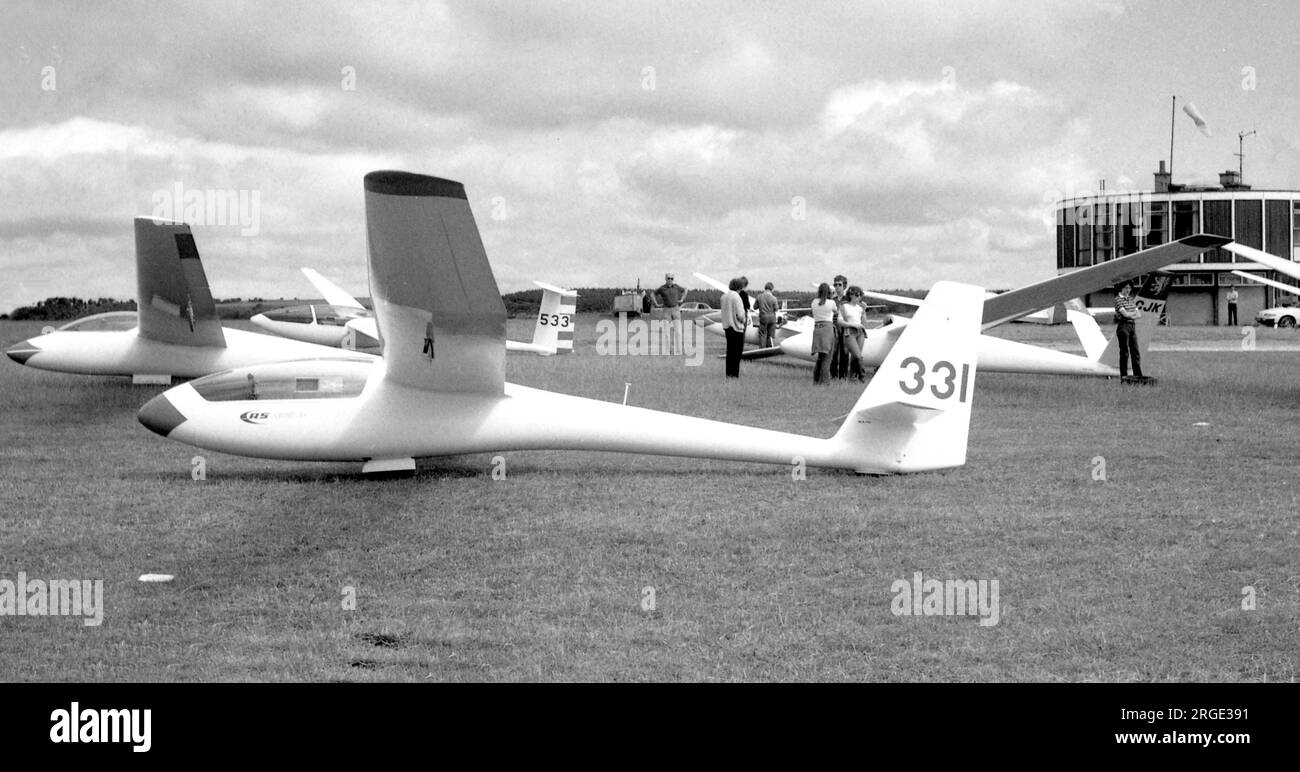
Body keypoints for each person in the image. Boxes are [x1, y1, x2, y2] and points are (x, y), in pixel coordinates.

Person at [837, 286, 868, 381]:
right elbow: (839, 321)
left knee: (855, 357)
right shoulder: (844, 306)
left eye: (860, 296)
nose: (859, 298)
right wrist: (853, 325)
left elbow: (864, 322)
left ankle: (853, 377)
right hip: (849, 332)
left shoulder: (860, 308)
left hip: (860, 332)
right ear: (851, 295)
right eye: (858, 295)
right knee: (858, 355)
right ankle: (862, 376)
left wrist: (864, 311)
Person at [809, 282, 838, 384]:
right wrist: (833, 297)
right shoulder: (831, 303)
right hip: (827, 329)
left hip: (817, 328)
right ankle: (825, 381)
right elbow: (836, 311)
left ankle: (816, 380)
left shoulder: (814, 302)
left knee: (820, 357)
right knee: (827, 357)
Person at [1114, 283, 1143, 378]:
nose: (1128, 290)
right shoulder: (1118, 299)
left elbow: (1139, 314)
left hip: (1131, 326)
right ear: (1121, 288)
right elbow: (1125, 314)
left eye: (1129, 288)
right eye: (1126, 288)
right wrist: (1132, 313)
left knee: (1135, 351)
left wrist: (1131, 314)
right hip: (1123, 326)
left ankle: (1138, 375)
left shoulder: (1130, 299)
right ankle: (1124, 376)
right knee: (1124, 352)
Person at [721, 277, 748, 378]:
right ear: (739, 287)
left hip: (727, 327)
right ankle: (734, 375)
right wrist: (744, 320)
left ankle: (728, 374)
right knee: (737, 353)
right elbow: (740, 315)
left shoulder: (724, 296)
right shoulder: (737, 297)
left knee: (729, 352)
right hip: (736, 328)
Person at [655, 273, 686, 354]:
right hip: (666, 310)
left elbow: (685, 290)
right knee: (666, 333)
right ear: (665, 279)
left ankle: (678, 352)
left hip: (676, 310)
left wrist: (682, 299)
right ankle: (668, 352)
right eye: (668, 278)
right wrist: (656, 304)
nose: (670, 280)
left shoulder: (676, 286)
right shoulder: (662, 288)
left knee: (678, 332)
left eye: (672, 278)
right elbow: (652, 294)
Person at [830, 275, 849, 379]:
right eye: (835, 285)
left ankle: (843, 376)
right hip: (834, 328)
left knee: (845, 352)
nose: (837, 287)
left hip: (845, 328)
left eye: (839, 285)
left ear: (844, 286)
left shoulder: (849, 299)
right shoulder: (832, 300)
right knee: (834, 352)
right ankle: (833, 375)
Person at [756, 282, 779, 348]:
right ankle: (769, 349)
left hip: (763, 317)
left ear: (765, 288)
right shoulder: (774, 298)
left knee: (762, 334)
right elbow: (776, 309)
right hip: (772, 318)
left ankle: (762, 350)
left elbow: (755, 307)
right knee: (770, 335)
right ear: (772, 289)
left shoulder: (759, 296)